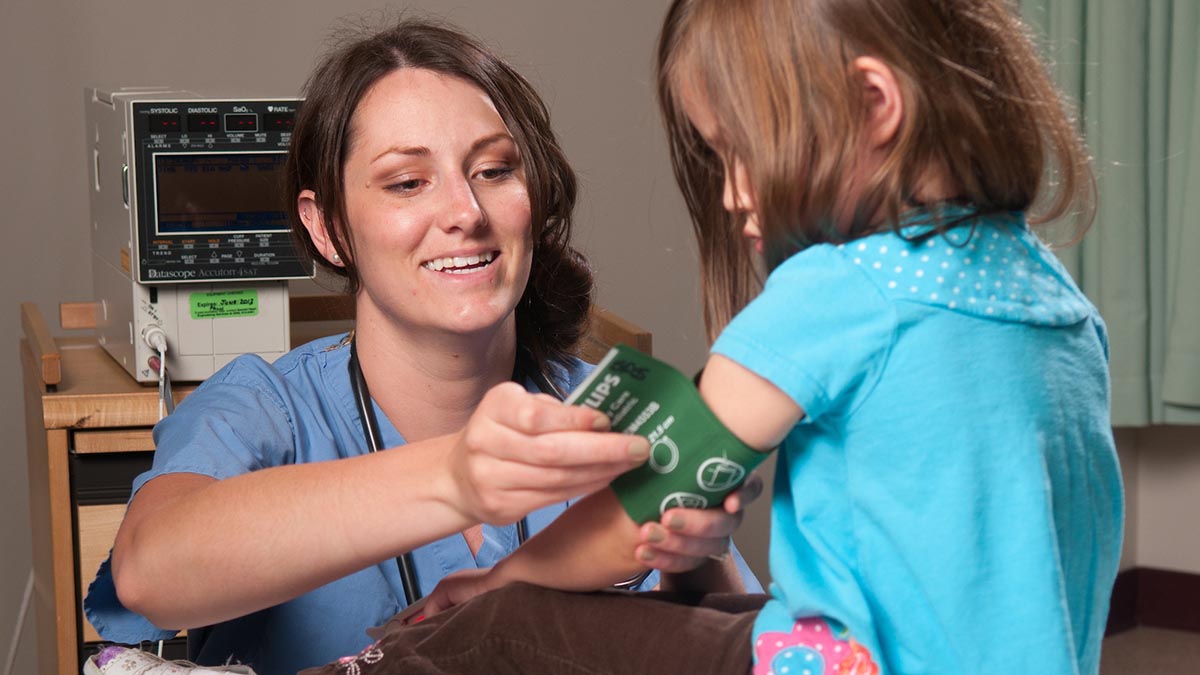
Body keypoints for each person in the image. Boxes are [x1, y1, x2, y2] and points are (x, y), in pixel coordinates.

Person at [303, 1, 1124, 674]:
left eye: (739, 150)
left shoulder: (845, 289)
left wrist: (496, 578)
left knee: (508, 625)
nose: (732, 193)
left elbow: (650, 503)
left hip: (837, 665)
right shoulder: (1055, 301)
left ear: (875, 106)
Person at [83, 17, 761, 675]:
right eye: (408, 182)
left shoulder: (607, 410)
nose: (465, 211)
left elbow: (745, 645)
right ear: (327, 228)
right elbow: (151, 570)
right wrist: (458, 476)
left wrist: (689, 557)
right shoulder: (266, 409)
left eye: (495, 170)